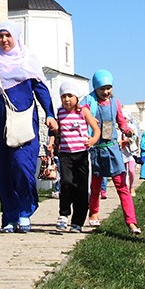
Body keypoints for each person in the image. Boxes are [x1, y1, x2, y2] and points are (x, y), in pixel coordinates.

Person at [0, 21, 56, 233]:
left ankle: (25, 210)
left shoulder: (28, 61)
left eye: (8, 36)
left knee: (22, 167)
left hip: (23, 122)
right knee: (1, 172)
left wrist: (50, 114)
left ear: (16, 36)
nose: (4, 40)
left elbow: (41, 90)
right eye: (1, 36)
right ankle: (9, 216)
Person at [85, 70, 141, 235]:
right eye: (102, 88)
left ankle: (131, 221)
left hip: (112, 149)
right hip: (97, 150)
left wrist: (127, 130)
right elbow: (81, 114)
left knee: (121, 186)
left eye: (108, 88)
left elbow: (121, 122)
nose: (106, 92)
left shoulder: (115, 103)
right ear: (95, 88)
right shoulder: (89, 102)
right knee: (95, 186)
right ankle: (93, 212)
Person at [51, 79, 100, 232]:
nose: (66, 99)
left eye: (70, 96)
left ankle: (77, 222)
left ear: (77, 97)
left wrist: (92, 140)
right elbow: (56, 131)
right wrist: (52, 141)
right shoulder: (59, 112)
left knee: (81, 188)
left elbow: (96, 129)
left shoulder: (83, 111)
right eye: (63, 96)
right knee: (66, 182)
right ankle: (64, 214)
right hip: (66, 154)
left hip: (81, 155)